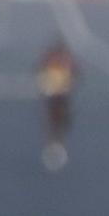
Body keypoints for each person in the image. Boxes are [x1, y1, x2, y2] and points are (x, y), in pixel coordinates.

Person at [37, 40, 77, 172]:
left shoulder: (57, 59)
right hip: (57, 91)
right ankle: (55, 138)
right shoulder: (60, 60)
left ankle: (55, 138)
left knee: (58, 115)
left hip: (58, 91)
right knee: (56, 115)